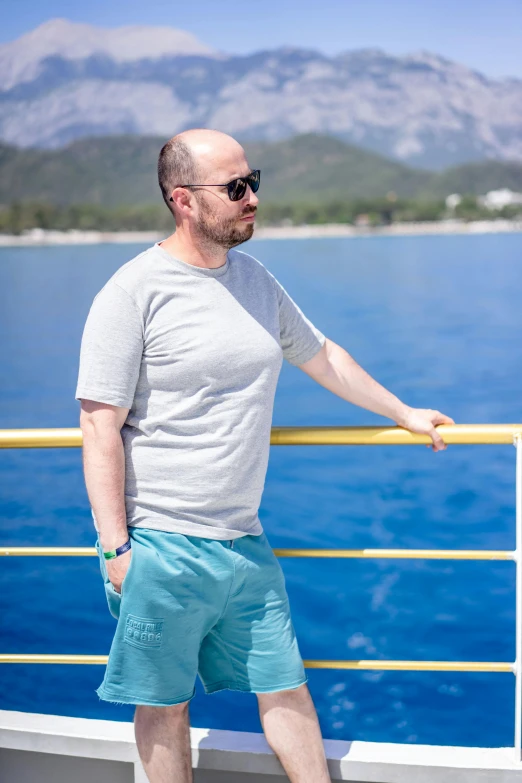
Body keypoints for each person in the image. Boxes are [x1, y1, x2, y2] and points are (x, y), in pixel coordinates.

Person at [76, 128, 454, 783]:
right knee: (165, 708)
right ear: (184, 201)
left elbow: (323, 354)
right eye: (235, 188)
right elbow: (98, 425)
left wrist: (404, 411)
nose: (252, 198)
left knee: (287, 686)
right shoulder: (132, 290)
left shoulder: (255, 280)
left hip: (243, 541)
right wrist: (116, 548)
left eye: (255, 182)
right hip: (162, 542)